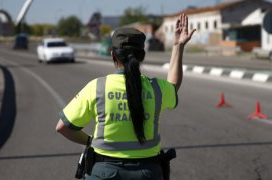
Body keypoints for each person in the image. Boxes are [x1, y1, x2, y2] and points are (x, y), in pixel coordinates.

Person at [56, 14, 195, 180]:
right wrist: (178, 46)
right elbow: (173, 85)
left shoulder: (96, 87)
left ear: (113, 55)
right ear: (142, 56)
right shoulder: (157, 88)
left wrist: (90, 141)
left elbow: (62, 127)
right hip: (148, 173)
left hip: (103, 173)